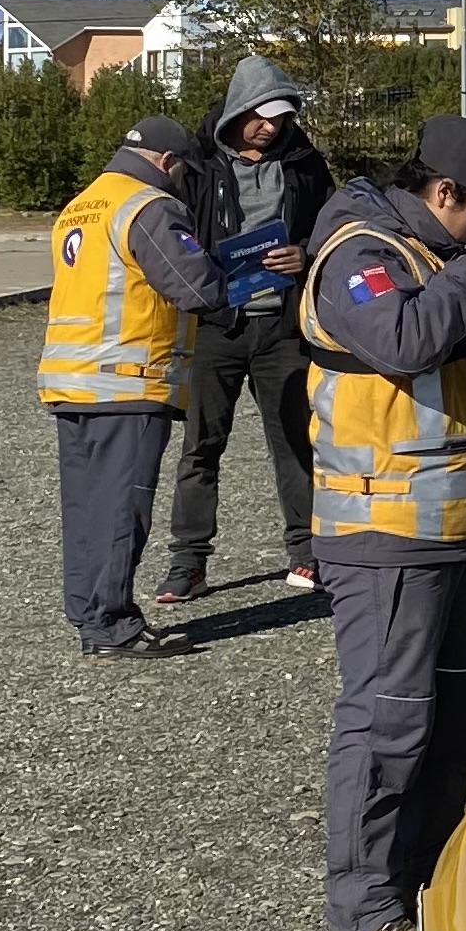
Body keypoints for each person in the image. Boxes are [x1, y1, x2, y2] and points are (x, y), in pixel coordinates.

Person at [302, 115, 466, 931]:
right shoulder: (358, 254)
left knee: (455, 717)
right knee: (388, 723)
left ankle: (429, 882)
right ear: (442, 191)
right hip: (385, 535)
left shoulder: (436, 262)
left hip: (454, 531)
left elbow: (450, 354)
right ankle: (363, 907)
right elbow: (401, 338)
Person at [37, 115, 226, 660]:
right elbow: (195, 286)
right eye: (185, 170)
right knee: (123, 508)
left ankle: (90, 616)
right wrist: (236, 270)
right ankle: (113, 626)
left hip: (73, 381)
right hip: (127, 382)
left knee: (87, 509)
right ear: (168, 162)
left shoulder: (83, 203)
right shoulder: (149, 207)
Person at [157, 55, 335, 604]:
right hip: (217, 326)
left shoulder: (306, 165)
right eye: (261, 115)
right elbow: (174, 231)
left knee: (294, 443)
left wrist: (305, 256)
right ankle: (188, 563)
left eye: (280, 116)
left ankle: (307, 555)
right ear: (238, 110)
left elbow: (334, 230)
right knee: (201, 446)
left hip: (282, 329)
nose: (271, 126)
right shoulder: (199, 163)